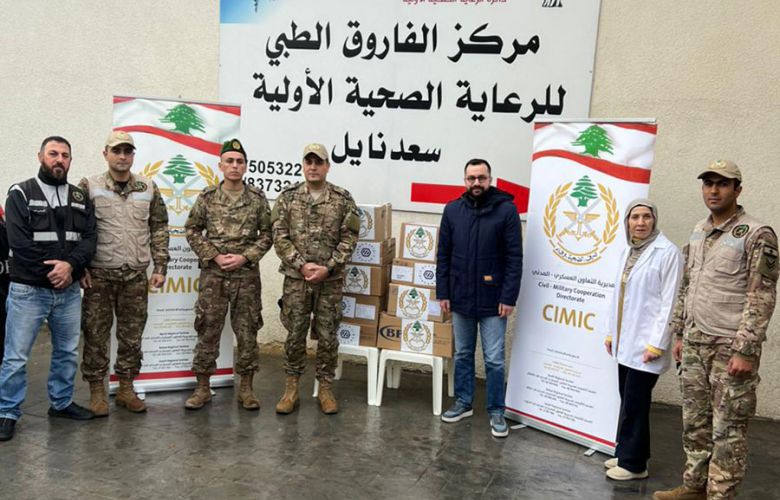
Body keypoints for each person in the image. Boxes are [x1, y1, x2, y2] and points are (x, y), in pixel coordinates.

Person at [653, 161, 778, 500]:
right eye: (708, 183)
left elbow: (761, 295)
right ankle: (694, 487)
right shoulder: (699, 230)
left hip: (728, 348)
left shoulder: (757, 234)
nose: (713, 190)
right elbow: (687, 284)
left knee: (728, 429)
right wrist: (680, 333)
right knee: (695, 421)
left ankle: (720, 495)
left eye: (722, 184)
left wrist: (745, 350)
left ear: (738, 189)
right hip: (695, 342)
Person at [0, 136, 97, 442]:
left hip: (68, 292)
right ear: (40, 156)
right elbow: (19, 243)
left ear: (70, 161)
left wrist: (71, 267)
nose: (59, 159)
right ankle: (7, 412)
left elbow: (89, 239)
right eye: (53, 153)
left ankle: (62, 403)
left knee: (67, 352)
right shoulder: (20, 193)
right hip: (28, 290)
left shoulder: (80, 197)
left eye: (65, 155)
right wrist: (58, 271)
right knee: (16, 356)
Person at [79, 131, 170, 416]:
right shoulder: (89, 186)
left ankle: (126, 388)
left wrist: (161, 266)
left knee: (132, 336)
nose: (122, 156)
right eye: (116, 151)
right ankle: (97, 391)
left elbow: (159, 227)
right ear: (105, 153)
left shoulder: (147, 187)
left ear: (133, 155)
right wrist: (80, 267)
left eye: (127, 151)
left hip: (134, 276)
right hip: (99, 276)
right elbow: (77, 229)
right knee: (95, 335)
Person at [183, 138, 272, 411]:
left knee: (247, 331)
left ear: (245, 166)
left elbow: (268, 234)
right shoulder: (207, 197)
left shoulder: (257, 198)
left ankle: (246, 388)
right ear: (220, 165)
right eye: (230, 161)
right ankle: (202, 388)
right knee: (207, 328)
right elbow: (192, 230)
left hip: (246, 277)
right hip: (214, 275)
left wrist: (246, 256)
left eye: (239, 161)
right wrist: (214, 255)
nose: (235, 165)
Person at [437, 158, 523, 438]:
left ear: (490, 180)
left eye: (481, 178)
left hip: (493, 300)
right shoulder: (452, 210)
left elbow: (514, 258)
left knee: (494, 359)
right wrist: (443, 292)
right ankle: (463, 402)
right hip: (460, 296)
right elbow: (443, 255)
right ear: (465, 180)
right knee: (463, 353)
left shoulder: (506, 211)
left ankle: (496, 410)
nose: (477, 183)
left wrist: (509, 297)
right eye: (471, 178)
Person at [272, 143, 360, 415]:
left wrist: (328, 268)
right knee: (295, 333)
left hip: (329, 282)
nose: (313, 167)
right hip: (296, 280)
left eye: (318, 162)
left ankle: (325, 388)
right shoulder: (287, 198)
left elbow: (349, 239)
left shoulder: (342, 199)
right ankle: (291, 389)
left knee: (328, 335)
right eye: (308, 162)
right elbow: (279, 236)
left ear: (327, 166)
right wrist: (301, 265)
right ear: (303, 165)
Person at [602, 199, 683, 480]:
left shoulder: (668, 253)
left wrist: (657, 344)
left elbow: (670, 302)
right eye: (634, 217)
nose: (640, 222)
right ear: (627, 221)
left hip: (647, 344)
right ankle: (626, 452)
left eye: (646, 216)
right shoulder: (628, 251)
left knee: (636, 402)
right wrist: (611, 332)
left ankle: (634, 465)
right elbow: (618, 296)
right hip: (626, 340)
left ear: (654, 220)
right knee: (627, 399)